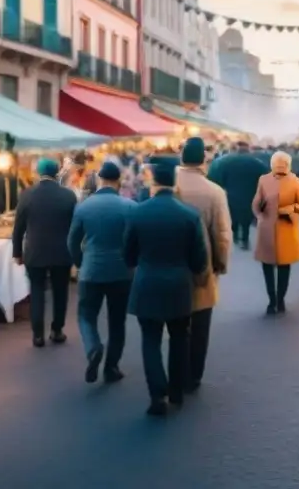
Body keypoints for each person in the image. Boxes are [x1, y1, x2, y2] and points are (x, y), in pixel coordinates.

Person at [124, 162, 209, 416]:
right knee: (179, 338)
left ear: (154, 183)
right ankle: (176, 391)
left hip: (147, 284)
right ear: (174, 183)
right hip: (179, 286)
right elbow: (199, 260)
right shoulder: (189, 214)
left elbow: (128, 255)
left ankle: (156, 394)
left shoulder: (138, 212)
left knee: (150, 340)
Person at [67, 161, 134, 384]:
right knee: (117, 321)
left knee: (86, 315)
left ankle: (93, 347)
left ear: (99, 180)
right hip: (121, 272)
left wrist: (80, 263)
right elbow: (135, 240)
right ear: (118, 181)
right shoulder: (130, 206)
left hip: (91, 270)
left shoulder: (84, 207)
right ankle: (111, 367)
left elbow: (72, 241)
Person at [175, 137, 232, 393]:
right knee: (200, 324)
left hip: (170, 263)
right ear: (203, 160)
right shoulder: (214, 192)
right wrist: (221, 263)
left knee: (176, 325)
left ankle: (176, 371)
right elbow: (222, 234)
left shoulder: (166, 186)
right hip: (203, 266)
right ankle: (194, 375)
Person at [12, 158, 78, 347]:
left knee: (37, 291)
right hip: (61, 251)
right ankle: (57, 330)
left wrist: (17, 252)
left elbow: (18, 227)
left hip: (35, 251)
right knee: (60, 292)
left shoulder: (27, 195)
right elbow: (75, 227)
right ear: (57, 172)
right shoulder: (68, 196)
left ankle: (38, 335)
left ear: (38, 172)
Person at [252, 151, 299, 315]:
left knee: (267, 266)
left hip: (267, 229)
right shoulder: (294, 181)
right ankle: (280, 300)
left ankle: (272, 301)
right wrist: (291, 209)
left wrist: (260, 217)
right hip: (288, 227)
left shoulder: (263, 180)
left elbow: (256, 204)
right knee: (285, 266)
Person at [208, 141, 265, 250]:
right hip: (250, 194)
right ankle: (244, 239)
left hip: (231, 194)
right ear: (248, 150)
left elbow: (218, 178)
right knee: (246, 218)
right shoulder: (257, 163)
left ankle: (234, 236)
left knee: (233, 216)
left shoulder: (227, 162)